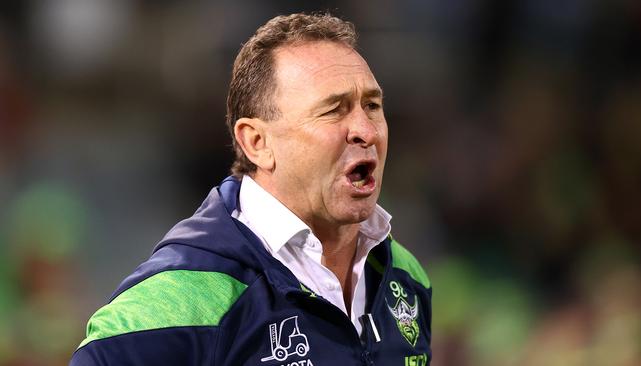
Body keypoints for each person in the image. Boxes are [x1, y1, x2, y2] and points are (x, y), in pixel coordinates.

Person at [70, 13, 432, 366]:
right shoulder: (188, 295)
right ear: (257, 142)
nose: (366, 131)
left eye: (372, 106)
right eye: (333, 111)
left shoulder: (405, 276)